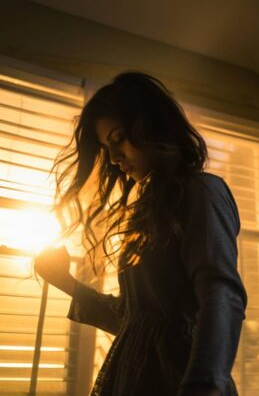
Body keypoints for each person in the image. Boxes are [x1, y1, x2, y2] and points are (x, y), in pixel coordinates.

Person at [34, 72, 247, 396]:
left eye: (118, 138)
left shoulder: (202, 191)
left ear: (153, 125)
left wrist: (204, 387)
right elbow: (136, 322)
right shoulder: (150, 212)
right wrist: (64, 281)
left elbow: (221, 295)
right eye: (107, 148)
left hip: (179, 381)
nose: (114, 158)